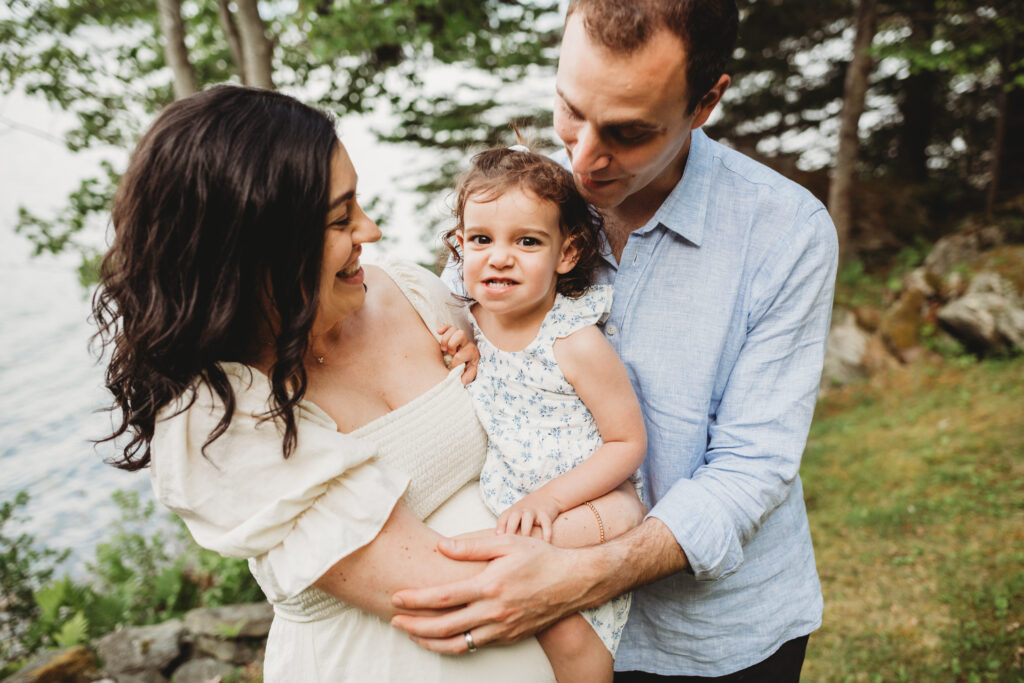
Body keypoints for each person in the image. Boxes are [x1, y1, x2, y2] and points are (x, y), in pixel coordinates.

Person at [92, 85, 645, 682]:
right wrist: (615, 529)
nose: (372, 230)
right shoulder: (216, 416)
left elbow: (530, 383)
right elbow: (452, 596)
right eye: (340, 217)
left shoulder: (409, 291)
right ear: (256, 248)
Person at [393, 1, 839, 680]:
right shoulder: (520, 202)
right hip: (538, 633)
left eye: (628, 132)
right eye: (570, 110)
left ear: (706, 102)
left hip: (716, 635)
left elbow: (752, 466)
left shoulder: (788, 233)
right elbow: (459, 321)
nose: (582, 158)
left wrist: (577, 576)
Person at [440, 145, 647, 682]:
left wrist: (550, 501)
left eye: (526, 241)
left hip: (592, 506)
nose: (499, 256)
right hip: (516, 509)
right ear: (460, 245)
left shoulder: (573, 342)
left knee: (561, 628)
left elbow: (626, 443)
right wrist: (462, 355)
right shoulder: (467, 325)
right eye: (481, 239)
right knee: (529, 625)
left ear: (567, 253)